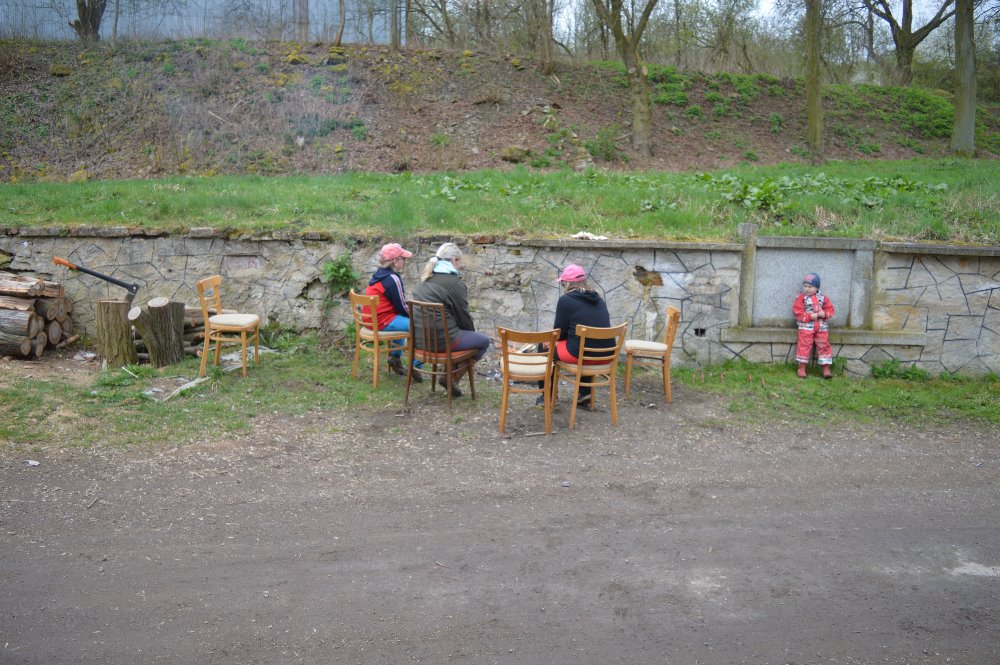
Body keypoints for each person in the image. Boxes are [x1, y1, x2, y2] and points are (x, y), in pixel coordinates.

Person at [411, 242, 491, 397]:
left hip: (420, 342)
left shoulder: (423, 281)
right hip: (443, 343)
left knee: (458, 333)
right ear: (454, 260)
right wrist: (471, 335)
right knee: (483, 341)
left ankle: (447, 373)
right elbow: (464, 317)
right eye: (459, 261)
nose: (460, 266)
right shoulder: (454, 284)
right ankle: (450, 377)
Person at [549, 264, 612, 408]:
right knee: (583, 344)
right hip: (606, 356)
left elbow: (558, 334)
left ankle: (549, 396)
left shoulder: (565, 300)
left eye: (563, 283)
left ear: (567, 283)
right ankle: (585, 394)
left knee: (546, 345)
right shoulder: (599, 299)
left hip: (581, 355)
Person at [365, 242, 422, 382]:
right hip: (382, 321)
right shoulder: (393, 279)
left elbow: (398, 308)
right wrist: (417, 316)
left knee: (402, 319)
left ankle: (395, 358)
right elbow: (402, 306)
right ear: (395, 261)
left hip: (370, 320)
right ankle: (416, 367)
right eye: (403, 258)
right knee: (420, 326)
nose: (405, 261)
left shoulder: (378, 275)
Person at [793, 272, 835, 379]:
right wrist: (809, 316)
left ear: (817, 287)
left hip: (821, 327)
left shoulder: (823, 298)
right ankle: (802, 368)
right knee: (804, 345)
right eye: (805, 286)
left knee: (823, 345)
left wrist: (824, 314)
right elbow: (797, 311)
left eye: (810, 287)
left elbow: (830, 309)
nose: (806, 289)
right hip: (806, 327)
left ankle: (826, 368)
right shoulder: (801, 297)